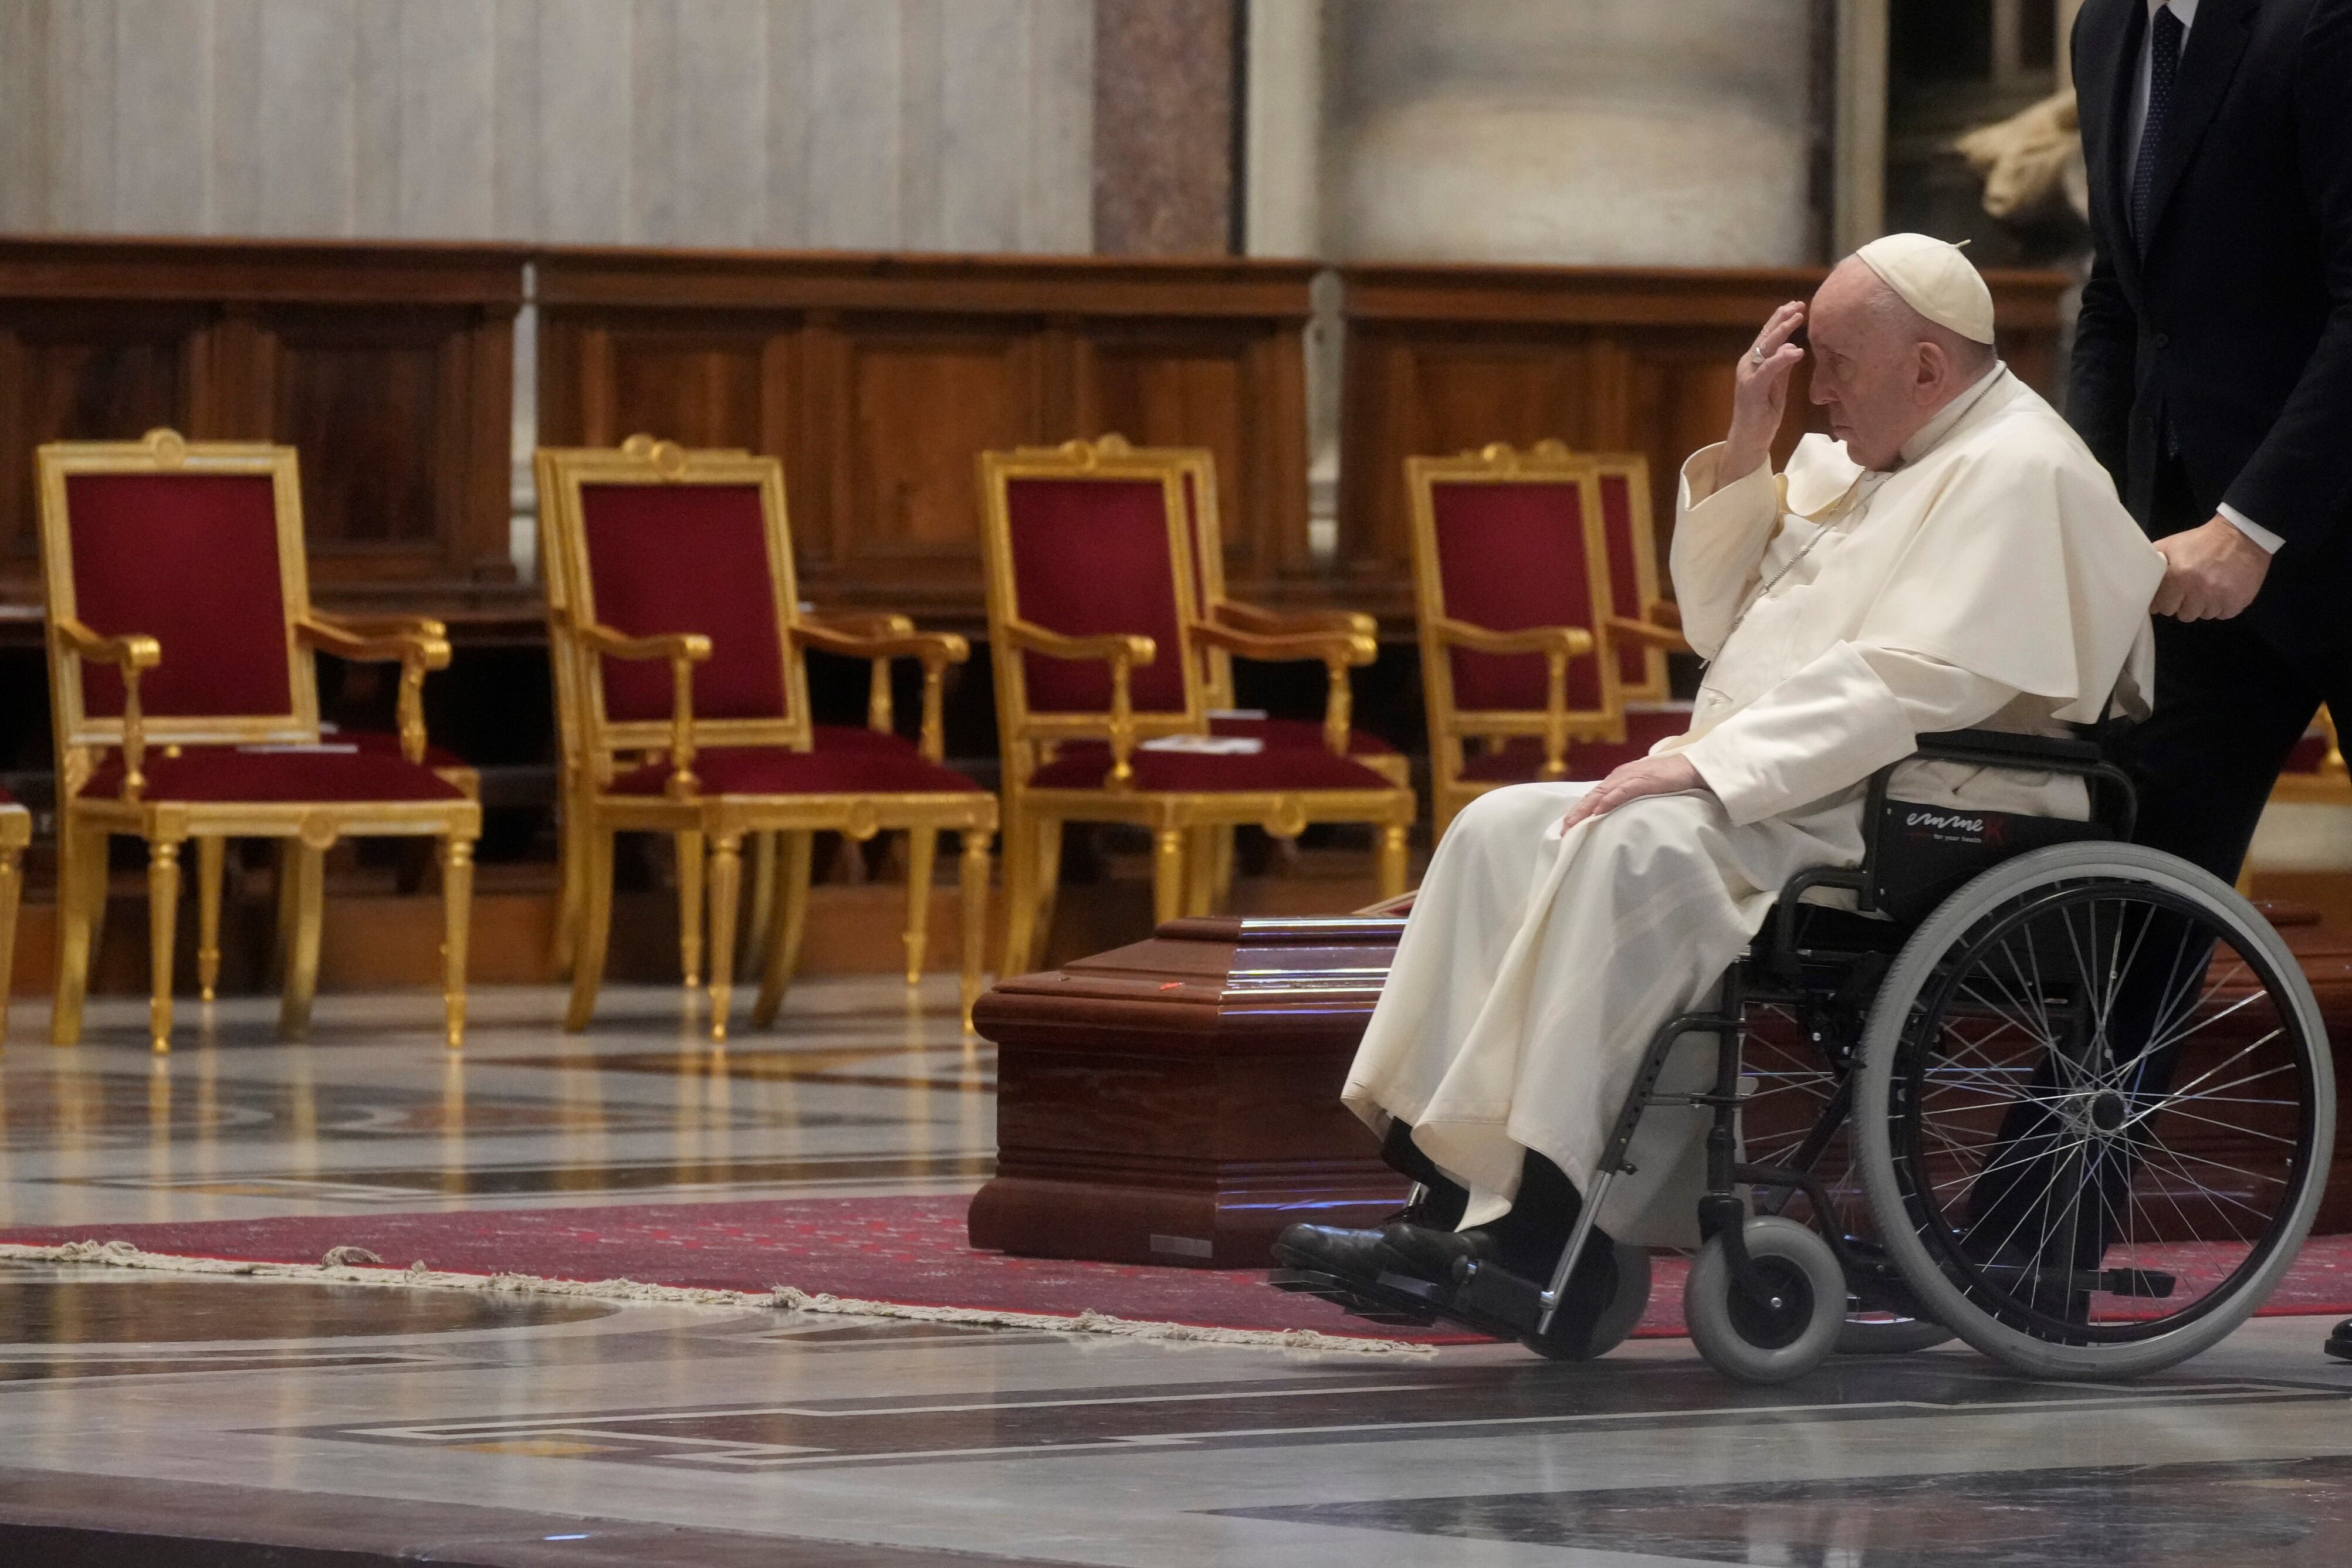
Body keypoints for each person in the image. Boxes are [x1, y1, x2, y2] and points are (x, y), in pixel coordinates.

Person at [1274, 236, 2165, 1347]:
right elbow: (1716, 621)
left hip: (1932, 803)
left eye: (1834, 362)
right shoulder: (1865, 454)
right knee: (1504, 825)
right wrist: (1750, 444)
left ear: (1928, 369)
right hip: (1815, 785)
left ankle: (1534, 1231)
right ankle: (1451, 1200)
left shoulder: (2025, 469)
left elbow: (1910, 679)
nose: (1817, 389)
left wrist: (1703, 766)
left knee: (1631, 844)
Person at [2063, 1, 2352, 1361]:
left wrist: (2257, 519)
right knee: (2138, 885)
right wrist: (2085, 508)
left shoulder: (2322, 21)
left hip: (2309, 514)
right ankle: (2034, 1236)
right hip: (2193, 536)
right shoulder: (2108, 30)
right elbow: (2121, 299)